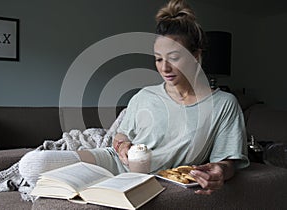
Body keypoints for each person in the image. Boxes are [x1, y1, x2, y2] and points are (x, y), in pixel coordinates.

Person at [19, 0, 249, 195]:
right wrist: (122, 146)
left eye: (174, 57)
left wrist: (220, 171)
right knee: (32, 164)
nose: (164, 67)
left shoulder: (223, 105)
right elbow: (121, 135)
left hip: (153, 176)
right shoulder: (144, 96)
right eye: (158, 59)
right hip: (112, 163)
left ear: (196, 56)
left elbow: (227, 161)